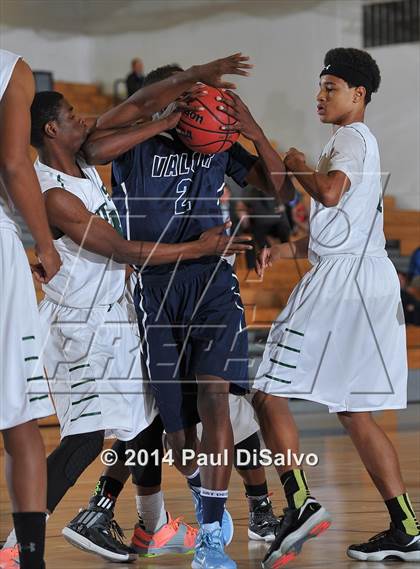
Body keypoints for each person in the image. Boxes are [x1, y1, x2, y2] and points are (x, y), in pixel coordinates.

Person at [0, 53, 253, 568]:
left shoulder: (85, 165)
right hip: (79, 326)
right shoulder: (54, 196)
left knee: (147, 418)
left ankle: (152, 527)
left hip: (113, 315)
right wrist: (200, 249)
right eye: (73, 116)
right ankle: (14, 548)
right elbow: (127, 251)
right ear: (51, 129)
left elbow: (137, 104)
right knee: (88, 436)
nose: (83, 120)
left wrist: (193, 80)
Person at [79, 62, 294, 569]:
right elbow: (91, 149)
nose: (192, 107)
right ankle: (206, 503)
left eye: (195, 99)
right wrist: (162, 119)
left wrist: (252, 128)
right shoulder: (133, 140)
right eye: (181, 96)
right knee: (178, 433)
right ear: (160, 97)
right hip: (155, 289)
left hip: (212, 282)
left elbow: (279, 190)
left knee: (217, 402)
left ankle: (212, 540)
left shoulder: (217, 140)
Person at [253, 47, 420, 567]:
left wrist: (300, 164)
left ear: (358, 94)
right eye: (320, 86)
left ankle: (300, 504)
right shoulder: (362, 142)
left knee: (265, 392)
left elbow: (327, 193)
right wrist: (288, 248)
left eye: (330, 88)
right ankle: (407, 528)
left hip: (343, 284)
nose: (320, 95)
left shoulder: (347, 138)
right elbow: (342, 226)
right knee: (356, 413)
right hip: (368, 278)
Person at [0, 49, 61, 569]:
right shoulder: (9, 67)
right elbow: (15, 162)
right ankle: (31, 560)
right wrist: (43, 242)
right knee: (17, 416)